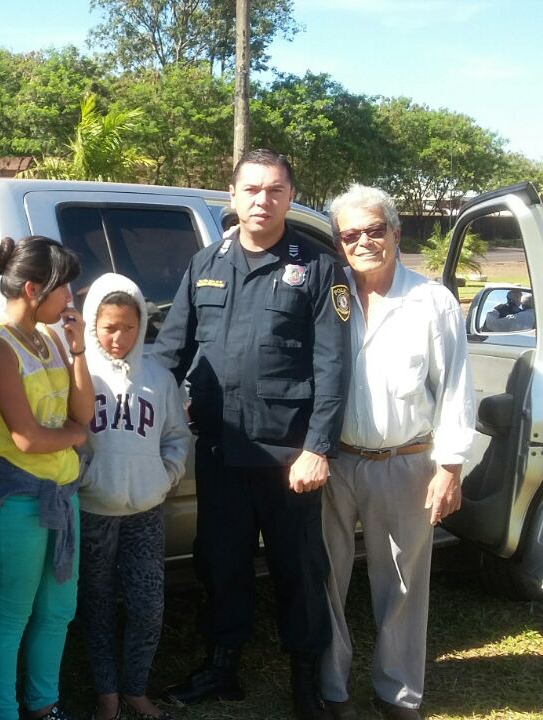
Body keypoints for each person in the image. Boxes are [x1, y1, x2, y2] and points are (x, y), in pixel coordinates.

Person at [154, 149, 351, 720]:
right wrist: (129, 397)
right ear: (233, 196)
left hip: (289, 452)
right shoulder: (206, 260)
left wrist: (318, 448)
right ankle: (221, 665)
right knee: (221, 559)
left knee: (298, 566)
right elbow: (173, 349)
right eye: (252, 190)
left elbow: (332, 367)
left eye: (275, 190)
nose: (262, 200)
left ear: (290, 197)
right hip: (220, 445)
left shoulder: (316, 267)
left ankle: (306, 678)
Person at [319, 185, 475, 720]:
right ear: (339, 243)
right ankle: (331, 687)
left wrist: (449, 467)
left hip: (406, 461)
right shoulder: (329, 297)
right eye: (350, 234)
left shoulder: (431, 301)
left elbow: (456, 386)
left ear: (395, 232)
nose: (363, 241)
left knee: (404, 584)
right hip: (334, 461)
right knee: (327, 576)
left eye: (373, 229)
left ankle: (398, 691)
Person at [0, 236, 92, 720]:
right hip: (17, 501)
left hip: (60, 495)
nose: (71, 299)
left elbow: (83, 411)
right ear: (33, 289)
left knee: (58, 610)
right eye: (65, 290)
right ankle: (1, 712)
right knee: (11, 615)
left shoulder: (53, 336)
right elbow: (28, 438)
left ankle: (43, 705)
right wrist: (76, 436)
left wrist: (77, 351)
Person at [77, 273, 191, 720]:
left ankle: (136, 688)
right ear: (93, 326)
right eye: (109, 327)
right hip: (93, 509)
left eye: (128, 326)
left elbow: (176, 437)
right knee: (97, 602)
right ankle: (107, 693)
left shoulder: (158, 378)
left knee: (147, 604)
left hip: (146, 509)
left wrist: (164, 476)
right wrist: (85, 476)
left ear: (141, 325)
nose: (119, 337)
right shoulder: (80, 374)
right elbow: (68, 435)